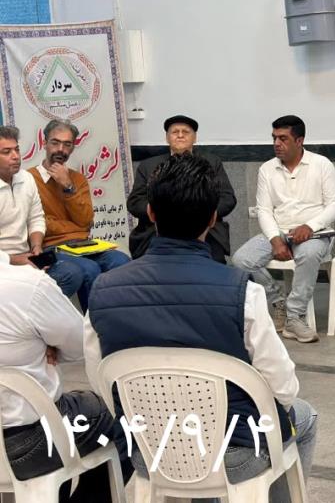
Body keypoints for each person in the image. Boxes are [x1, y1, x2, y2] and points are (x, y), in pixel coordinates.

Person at [85, 154, 317, 502]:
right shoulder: (243, 292)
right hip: (234, 453)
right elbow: (282, 387)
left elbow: (101, 381)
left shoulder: (102, 290)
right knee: (304, 415)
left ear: (151, 213)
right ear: (212, 218)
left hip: (150, 452)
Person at [0, 257, 126, 502]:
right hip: (31, 443)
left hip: (22, 440)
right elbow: (80, 345)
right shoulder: (27, 285)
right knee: (121, 418)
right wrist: (46, 345)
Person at [233, 115, 335, 344]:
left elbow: (334, 205)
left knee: (308, 254)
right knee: (241, 260)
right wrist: (275, 239)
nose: (276, 143)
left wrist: (310, 226)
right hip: (279, 230)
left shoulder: (321, 164)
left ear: (299, 141)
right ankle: (278, 301)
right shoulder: (267, 169)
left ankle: (294, 317)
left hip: (315, 233)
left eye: (283, 138)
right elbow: (264, 210)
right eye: (274, 138)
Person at [27, 119, 129, 312]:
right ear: (44, 143)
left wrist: (68, 186)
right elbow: (38, 223)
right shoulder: (28, 179)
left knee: (121, 261)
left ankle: (120, 317)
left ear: (73, 147)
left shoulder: (77, 179)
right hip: (51, 247)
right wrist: (74, 227)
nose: (61, 149)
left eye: (67, 144)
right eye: (55, 142)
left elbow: (85, 221)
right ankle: (95, 324)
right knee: (90, 269)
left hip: (83, 245)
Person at [127, 115, 236, 262]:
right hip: (159, 228)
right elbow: (135, 202)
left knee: (214, 261)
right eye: (175, 132)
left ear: (195, 138)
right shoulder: (148, 165)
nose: (180, 135)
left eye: (185, 132)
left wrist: (203, 211)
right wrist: (166, 212)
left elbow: (227, 198)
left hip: (204, 227)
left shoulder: (211, 162)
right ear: (167, 138)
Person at [0, 125, 86, 300]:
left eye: (17, 149)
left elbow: (36, 218)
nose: (15, 156)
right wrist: (14, 260)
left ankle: (35, 312)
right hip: (5, 264)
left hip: (28, 257)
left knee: (71, 273)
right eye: (6, 152)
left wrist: (37, 247)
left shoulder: (26, 179)